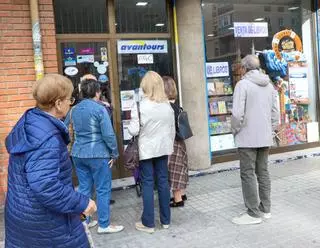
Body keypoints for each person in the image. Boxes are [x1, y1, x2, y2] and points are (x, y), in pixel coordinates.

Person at [5, 74, 97, 248]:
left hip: (25, 217)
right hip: (46, 224)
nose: (71, 103)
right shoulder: (47, 138)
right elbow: (45, 185)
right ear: (58, 103)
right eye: (70, 99)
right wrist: (82, 203)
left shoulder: (31, 121)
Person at [65, 79, 124, 234]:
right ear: (97, 93)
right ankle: (104, 225)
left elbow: (64, 129)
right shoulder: (100, 109)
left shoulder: (73, 110)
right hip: (98, 154)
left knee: (84, 188)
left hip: (78, 154)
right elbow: (108, 135)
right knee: (103, 189)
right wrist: (114, 153)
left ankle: (86, 222)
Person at [231, 55, 279, 225]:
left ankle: (253, 213)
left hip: (246, 137)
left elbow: (237, 114)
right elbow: (275, 113)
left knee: (248, 174)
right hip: (265, 136)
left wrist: (234, 130)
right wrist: (270, 130)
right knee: (263, 172)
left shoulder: (242, 85)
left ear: (244, 68)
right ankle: (266, 209)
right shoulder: (269, 85)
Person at [128, 71, 175, 233]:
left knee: (147, 183)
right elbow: (172, 130)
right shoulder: (167, 105)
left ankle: (148, 223)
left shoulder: (140, 106)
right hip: (163, 148)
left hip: (146, 150)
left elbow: (133, 130)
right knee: (163, 182)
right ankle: (166, 220)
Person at [162, 76, 189, 208]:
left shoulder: (167, 107)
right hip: (180, 141)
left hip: (171, 142)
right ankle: (182, 194)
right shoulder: (177, 106)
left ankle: (178, 199)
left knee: (173, 170)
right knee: (180, 168)